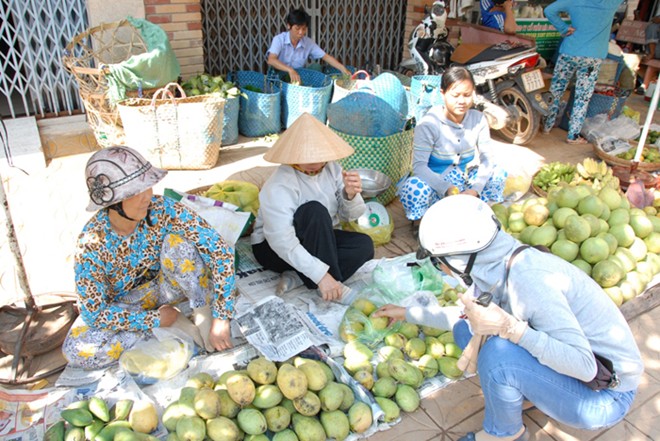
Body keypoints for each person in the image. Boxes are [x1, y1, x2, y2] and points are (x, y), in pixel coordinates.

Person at [372, 195, 644, 441]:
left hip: (604, 396)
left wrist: (511, 329)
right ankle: (527, 392)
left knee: (498, 353)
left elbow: (586, 367)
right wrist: (408, 313)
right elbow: (467, 317)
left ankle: (504, 434)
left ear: (459, 257)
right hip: (579, 375)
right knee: (466, 331)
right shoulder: (495, 265)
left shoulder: (529, 282)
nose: (440, 268)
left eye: (437, 260)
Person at [62, 146, 236, 369]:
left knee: (177, 244)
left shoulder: (163, 208)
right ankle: (170, 327)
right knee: (77, 351)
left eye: (148, 187)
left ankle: (200, 312)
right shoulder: (92, 243)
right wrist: (153, 320)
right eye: (135, 193)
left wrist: (221, 316)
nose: (147, 197)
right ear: (113, 203)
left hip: (168, 287)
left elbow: (219, 250)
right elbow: (93, 313)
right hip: (127, 305)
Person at [251, 113, 374, 301]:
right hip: (272, 248)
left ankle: (300, 277)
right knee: (314, 210)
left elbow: (349, 215)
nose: (314, 161)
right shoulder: (279, 185)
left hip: (317, 239)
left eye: (319, 155)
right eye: (307, 155)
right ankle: (330, 284)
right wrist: (322, 276)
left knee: (364, 246)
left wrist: (349, 194)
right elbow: (282, 240)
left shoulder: (332, 169)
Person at [396, 66, 507, 221]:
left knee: (497, 173)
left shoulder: (478, 119)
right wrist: (446, 188)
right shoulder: (429, 124)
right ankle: (423, 222)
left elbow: (487, 159)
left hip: (463, 183)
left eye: (467, 95)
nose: (461, 101)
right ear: (443, 94)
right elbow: (419, 167)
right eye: (455, 95)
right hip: (435, 184)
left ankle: (481, 217)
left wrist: (475, 190)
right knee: (413, 187)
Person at [542, 0, 624, 144]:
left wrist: (563, 28)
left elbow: (549, 10)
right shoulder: (611, 3)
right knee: (582, 98)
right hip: (593, 57)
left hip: (568, 52)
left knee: (556, 91)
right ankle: (572, 136)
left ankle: (547, 127)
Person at [267, 7, 351, 84]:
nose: (301, 32)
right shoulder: (279, 39)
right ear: (289, 26)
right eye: (297, 28)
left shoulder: (308, 43)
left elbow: (326, 57)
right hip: (278, 75)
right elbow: (271, 60)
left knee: (316, 67)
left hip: (297, 77)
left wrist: (344, 69)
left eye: (304, 29)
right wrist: (290, 70)